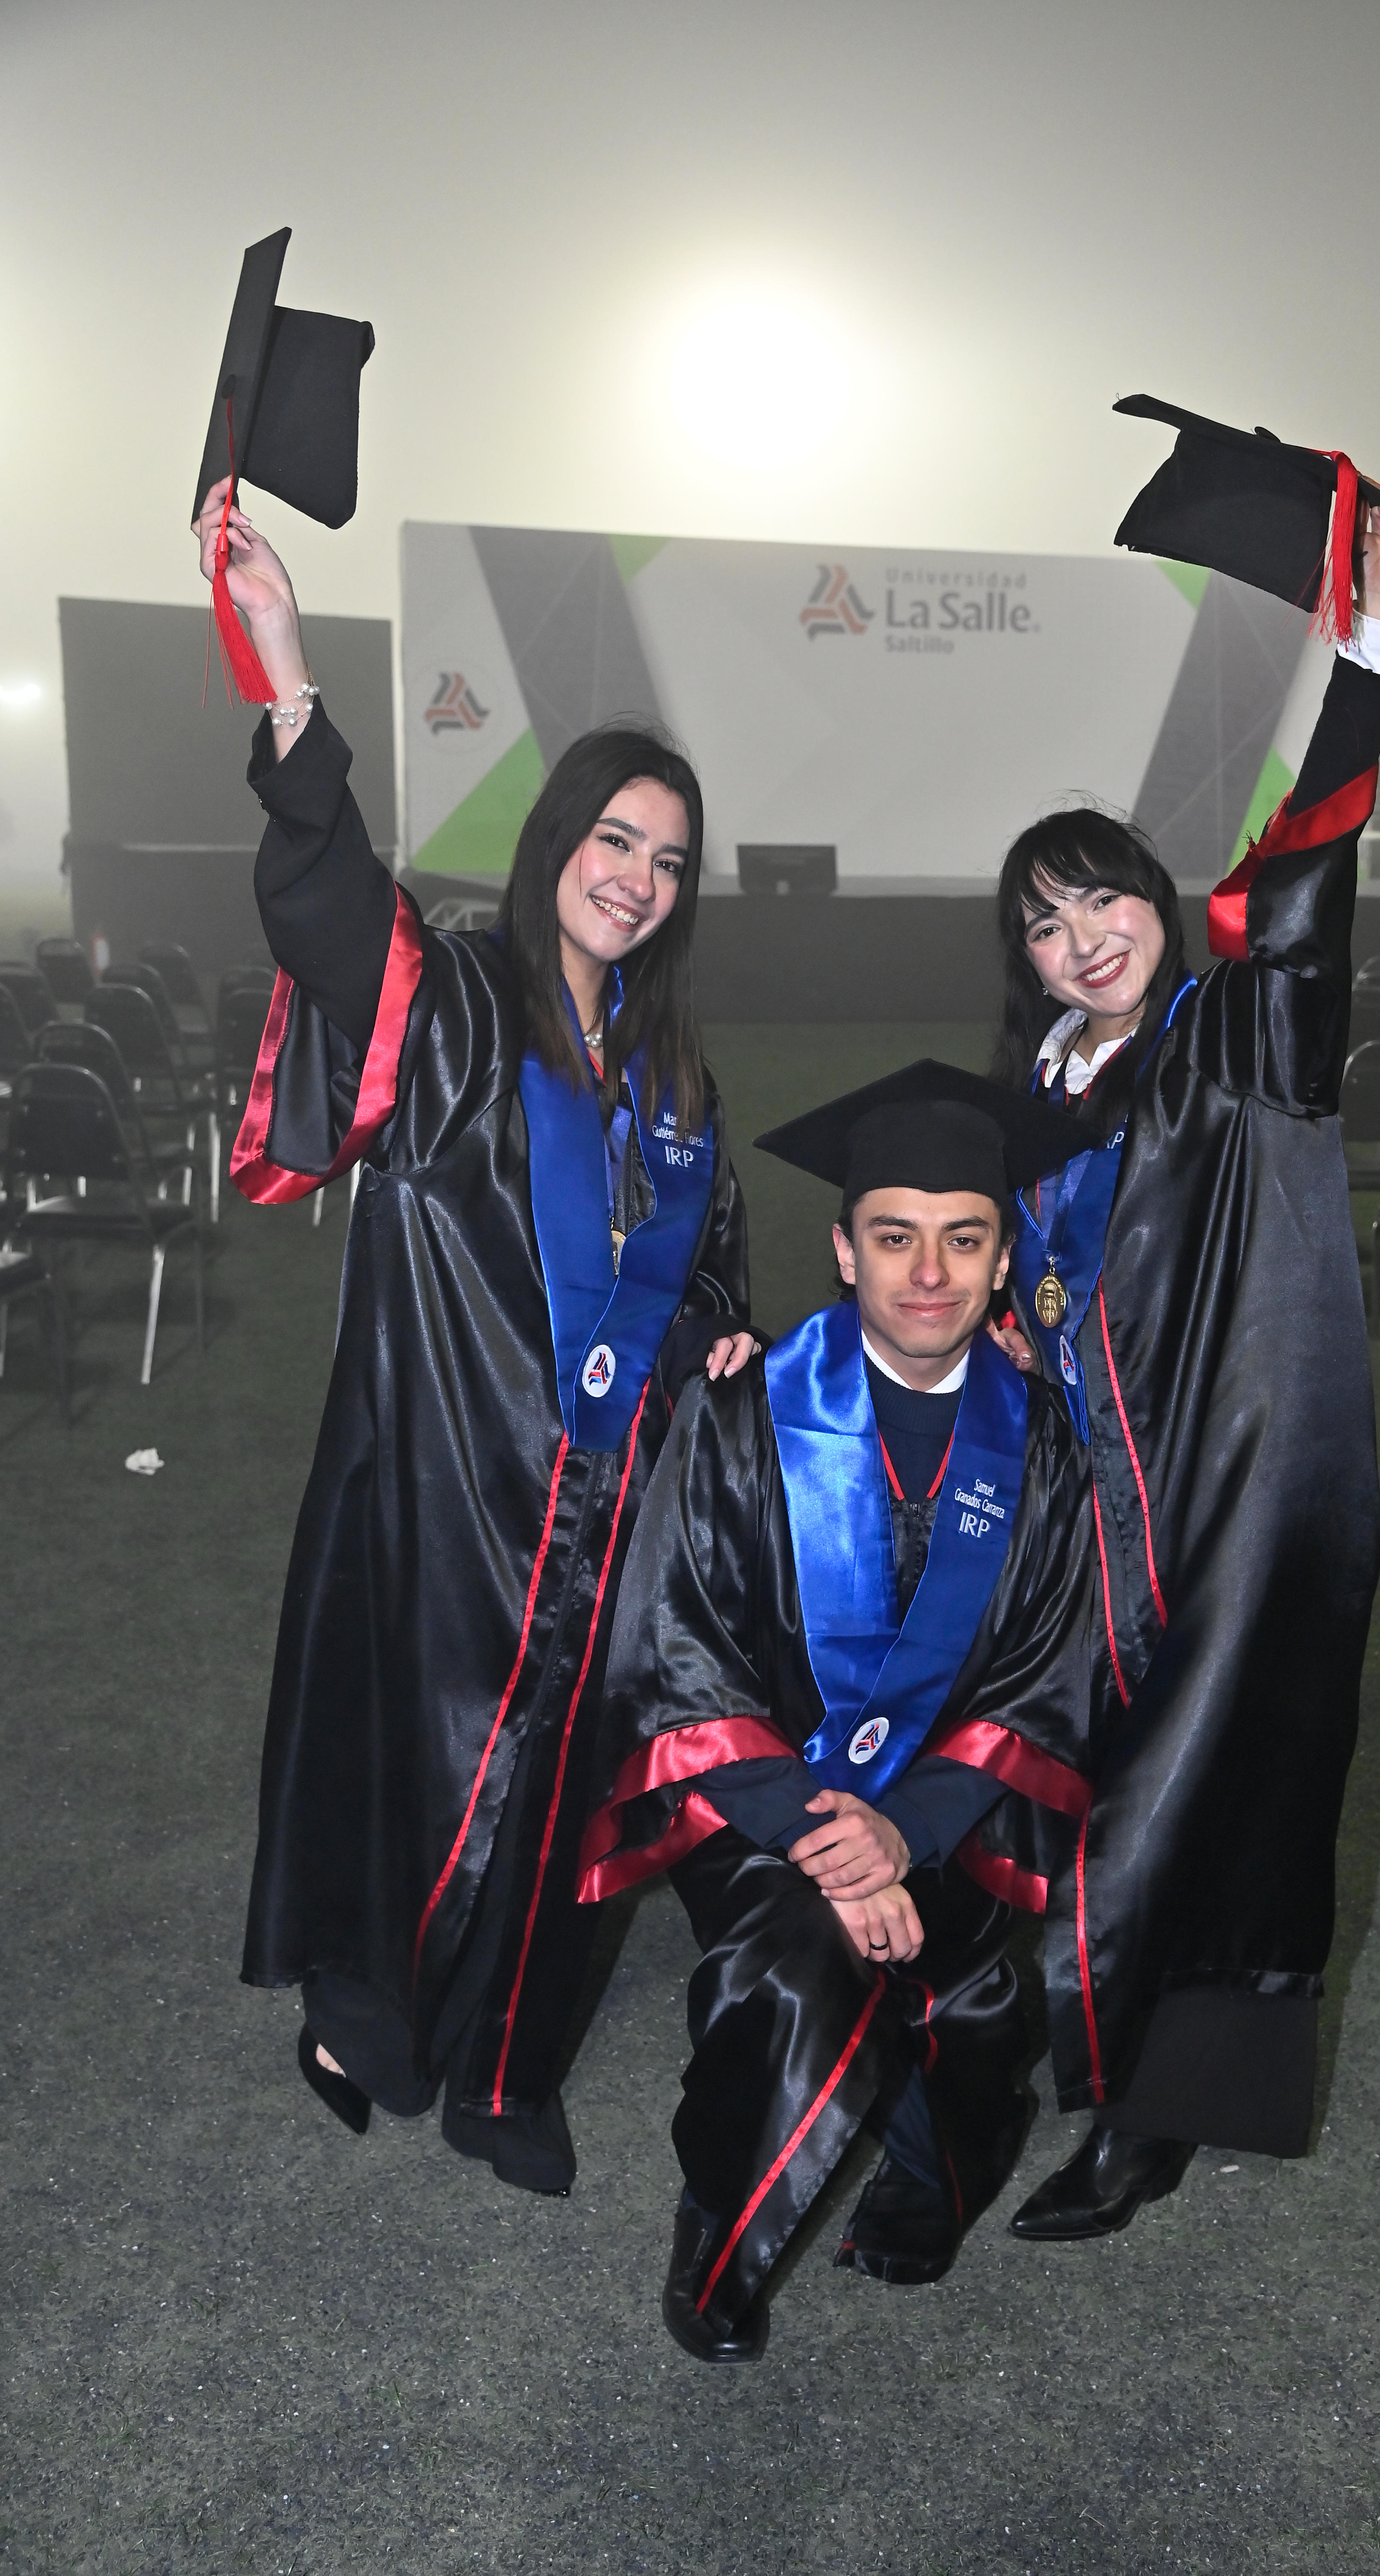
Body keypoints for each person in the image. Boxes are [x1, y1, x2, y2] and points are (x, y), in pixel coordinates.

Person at [193, 478, 757, 2195]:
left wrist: (719, 1340)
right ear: (557, 841)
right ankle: (365, 2010)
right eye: (616, 843)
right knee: (416, 1752)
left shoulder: (676, 1080)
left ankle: (514, 2064)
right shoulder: (453, 1004)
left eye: (668, 863)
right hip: (448, 1482)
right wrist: (287, 673)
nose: (638, 881)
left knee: (573, 1790)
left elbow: (715, 1272)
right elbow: (322, 914)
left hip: (607, 1510)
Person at [988, 465, 1380, 2238]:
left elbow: (1307, 877)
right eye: (1043, 921)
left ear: (1161, 904)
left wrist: (1368, 645)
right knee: (1082, 1775)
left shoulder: (1237, 1039)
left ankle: (1152, 2111)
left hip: (1221, 1497)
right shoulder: (1034, 1091)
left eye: (1101, 899)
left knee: (1201, 1792)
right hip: (1079, 1501)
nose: (1079, 937)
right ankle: (1062, 2035)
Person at [580, 1064, 1094, 2359]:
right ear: (844, 1250)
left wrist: (906, 1830)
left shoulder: (1041, 1440)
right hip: (758, 1807)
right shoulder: (745, 1411)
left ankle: (924, 2182)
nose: (929, 1272)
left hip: (944, 1810)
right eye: (895, 1236)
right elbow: (677, 1650)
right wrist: (828, 1841)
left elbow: (1047, 1673)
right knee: (796, 1966)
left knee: (974, 2001)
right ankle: (718, 2229)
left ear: (1002, 1262)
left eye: (964, 1240)